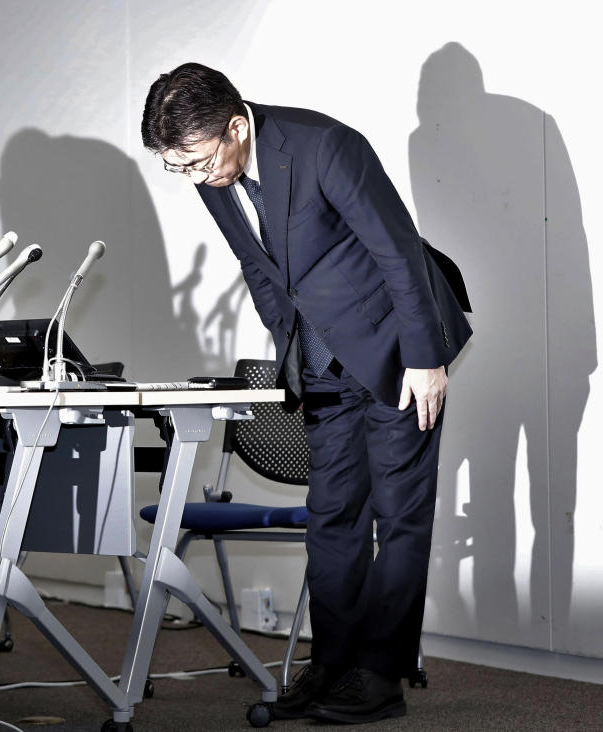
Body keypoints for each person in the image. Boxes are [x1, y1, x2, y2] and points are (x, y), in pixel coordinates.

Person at [141, 63, 472, 724]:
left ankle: (380, 675)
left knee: (398, 513)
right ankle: (333, 663)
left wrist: (426, 357)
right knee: (332, 516)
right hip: (321, 360)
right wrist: (289, 341)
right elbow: (255, 262)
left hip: (395, 349)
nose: (195, 179)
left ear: (237, 126)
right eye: (177, 169)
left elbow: (398, 251)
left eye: (198, 162)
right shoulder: (215, 172)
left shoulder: (323, 146)